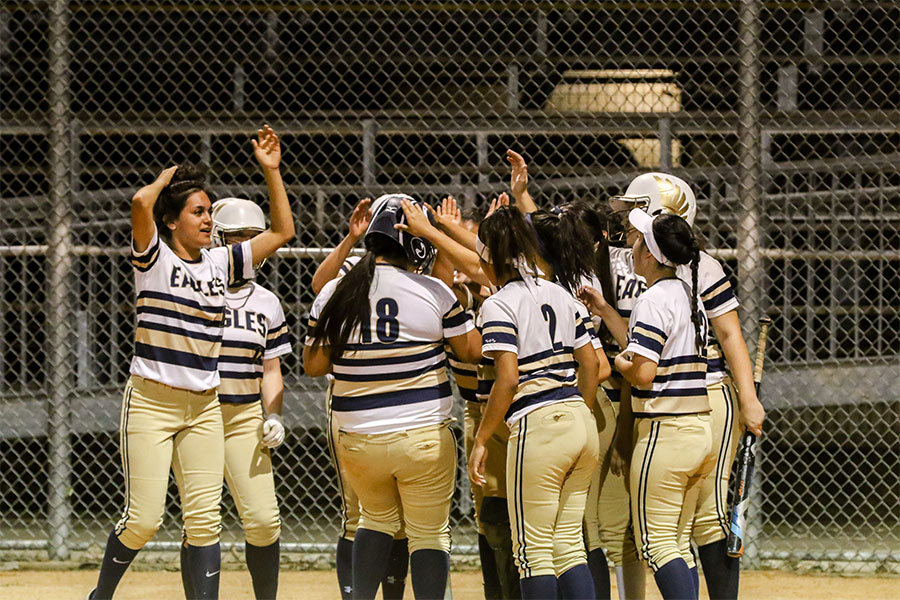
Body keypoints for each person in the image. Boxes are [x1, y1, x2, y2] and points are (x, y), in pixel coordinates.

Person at [88, 125, 295, 600]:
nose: (207, 220)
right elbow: (141, 204)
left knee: (203, 522)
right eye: (197, 212)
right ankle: (100, 595)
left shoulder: (221, 263)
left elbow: (283, 231)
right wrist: (166, 181)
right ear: (172, 221)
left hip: (204, 407)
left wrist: (272, 171)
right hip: (152, 403)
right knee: (143, 519)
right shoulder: (153, 258)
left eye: (208, 212)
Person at [585, 172, 766, 599]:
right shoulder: (621, 260)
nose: (627, 220)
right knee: (660, 524)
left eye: (636, 210)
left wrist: (749, 397)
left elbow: (729, 335)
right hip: (648, 395)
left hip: (699, 394)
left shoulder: (703, 267)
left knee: (704, 518)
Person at [303, 194, 481, 600]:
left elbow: (313, 364)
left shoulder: (335, 290)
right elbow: (471, 351)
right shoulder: (433, 290)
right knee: (428, 535)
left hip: (358, 437)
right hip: (421, 437)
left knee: (374, 520)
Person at [507, 149, 645, 600]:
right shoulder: (598, 267)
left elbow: (546, 239)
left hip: (587, 399)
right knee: (597, 529)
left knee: (584, 533)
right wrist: (523, 198)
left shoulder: (568, 278)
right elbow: (550, 235)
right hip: (608, 397)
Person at [468, 206, 604, 600]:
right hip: (580, 419)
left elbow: (508, 379)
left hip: (537, 424)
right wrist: (582, 408)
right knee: (568, 546)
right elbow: (591, 363)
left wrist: (482, 438)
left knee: (533, 554)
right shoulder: (557, 292)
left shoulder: (498, 304)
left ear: (489, 256)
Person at [174, 198, 292, 600]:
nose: (246, 247)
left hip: (244, 416)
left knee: (263, 521)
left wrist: (273, 415)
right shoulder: (194, 288)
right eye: (237, 238)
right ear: (218, 240)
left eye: (252, 238)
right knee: (200, 523)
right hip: (196, 414)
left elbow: (271, 368)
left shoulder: (267, 302)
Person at [610, 209, 714, 600]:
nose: (632, 247)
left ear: (651, 255)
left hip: (665, 432)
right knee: (679, 541)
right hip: (699, 430)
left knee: (655, 545)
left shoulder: (652, 299)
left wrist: (620, 361)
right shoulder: (690, 295)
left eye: (638, 242)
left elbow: (643, 374)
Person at [311, 197, 411, 600]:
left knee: (401, 516)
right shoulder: (356, 269)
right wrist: (349, 242)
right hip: (351, 394)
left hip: (401, 397)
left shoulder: (414, 273)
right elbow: (320, 284)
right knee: (358, 514)